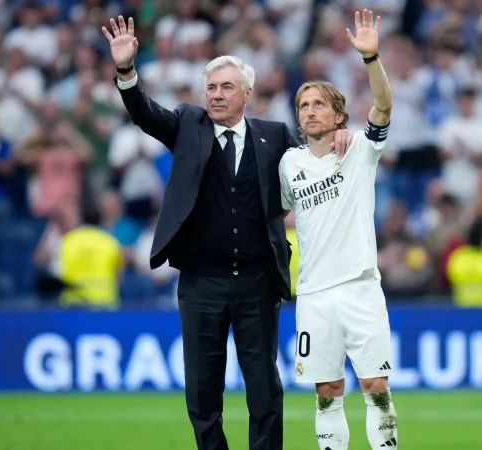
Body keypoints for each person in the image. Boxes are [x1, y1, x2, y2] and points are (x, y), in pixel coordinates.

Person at [101, 15, 354, 450]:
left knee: (265, 391)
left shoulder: (273, 136)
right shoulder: (186, 125)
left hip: (257, 281)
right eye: (211, 87)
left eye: (226, 87)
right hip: (201, 282)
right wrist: (127, 72)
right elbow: (144, 113)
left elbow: (313, 160)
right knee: (202, 389)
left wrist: (339, 132)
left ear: (247, 94)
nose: (216, 95)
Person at [278, 10, 397, 450]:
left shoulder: (361, 149)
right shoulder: (289, 164)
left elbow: (383, 105)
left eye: (318, 104)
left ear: (338, 114)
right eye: (303, 106)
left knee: (375, 388)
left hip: (361, 287)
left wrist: (371, 58)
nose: (309, 111)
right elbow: (273, 210)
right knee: (327, 393)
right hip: (313, 294)